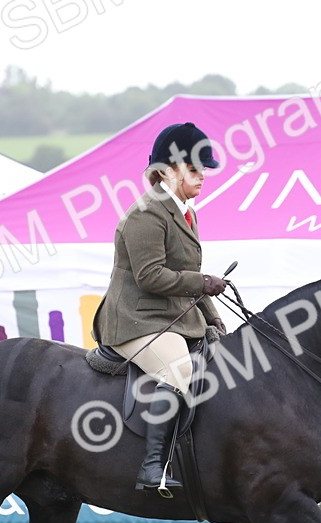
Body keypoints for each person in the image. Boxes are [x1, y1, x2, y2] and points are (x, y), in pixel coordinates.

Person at [91, 122, 228, 494]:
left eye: (204, 170)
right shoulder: (146, 215)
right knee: (177, 370)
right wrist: (202, 283)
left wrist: (214, 319)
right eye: (195, 170)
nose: (203, 177)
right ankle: (152, 467)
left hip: (170, 317)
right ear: (167, 171)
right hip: (135, 321)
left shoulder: (186, 211)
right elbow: (151, 276)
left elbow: (189, 276)